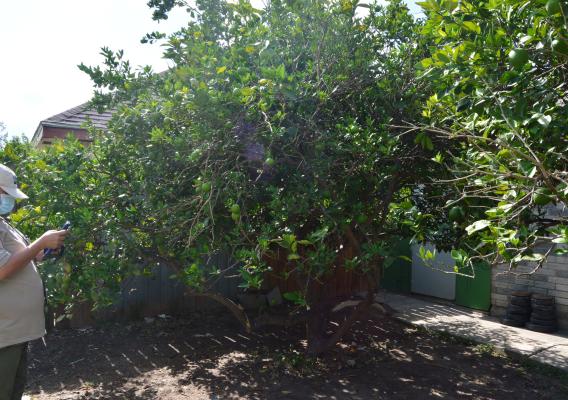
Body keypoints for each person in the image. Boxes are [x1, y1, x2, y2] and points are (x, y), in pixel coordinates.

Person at [0, 164, 68, 400]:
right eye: (5, 194)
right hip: (3, 333)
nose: (10, 201)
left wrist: (45, 252)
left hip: (13, 331)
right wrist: (39, 243)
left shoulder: (2, 223)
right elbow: (2, 271)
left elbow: (19, 258)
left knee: (13, 390)